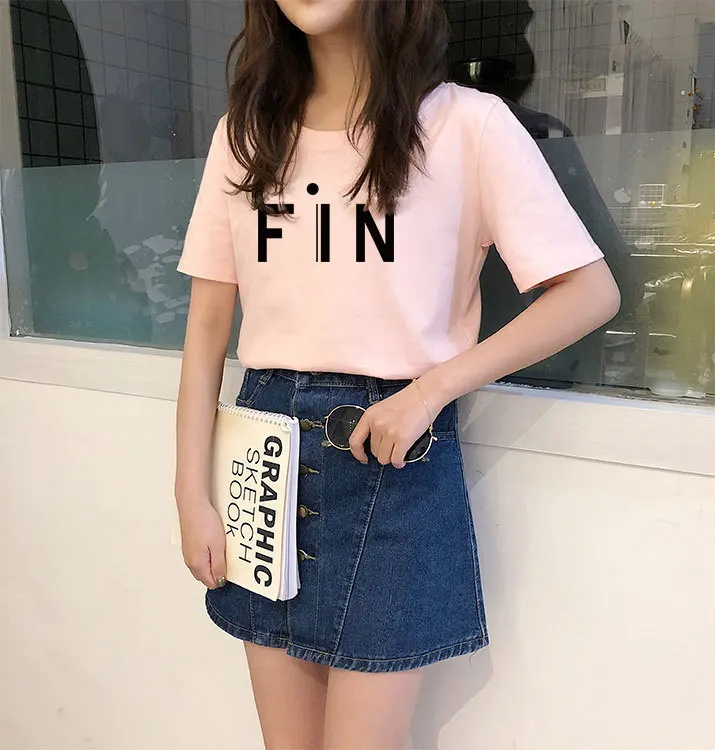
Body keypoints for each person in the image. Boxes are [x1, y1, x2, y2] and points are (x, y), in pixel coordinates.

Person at [174, 1, 621, 748]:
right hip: (264, 459)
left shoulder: (467, 125)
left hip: (391, 462)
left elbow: (589, 292)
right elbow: (206, 332)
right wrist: (190, 494)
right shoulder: (246, 134)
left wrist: (435, 388)